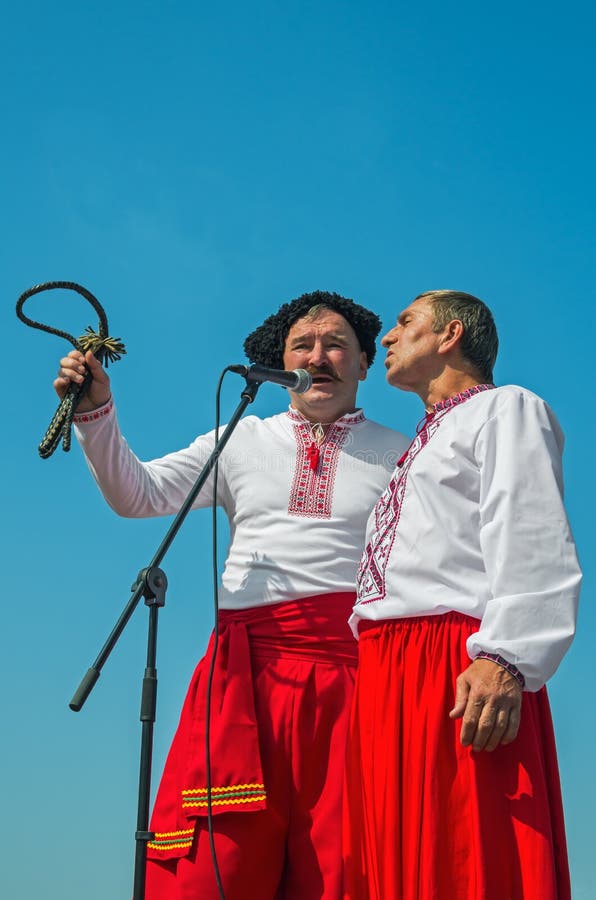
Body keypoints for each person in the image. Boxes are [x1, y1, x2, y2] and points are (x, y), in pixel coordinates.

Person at [55, 290, 409, 900]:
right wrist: (97, 412)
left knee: (344, 864)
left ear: (363, 363)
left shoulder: (403, 454)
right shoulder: (239, 439)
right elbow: (136, 495)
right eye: (303, 345)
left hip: (354, 675)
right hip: (245, 674)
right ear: (280, 362)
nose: (319, 356)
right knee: (218, 864)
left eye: (336, 346)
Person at [344, 290, 582, 900]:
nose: (388, 338)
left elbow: (530, 528)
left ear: (450, 335)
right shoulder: (419, 443)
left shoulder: (506, 409)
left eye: (404, 323)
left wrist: (506, 658)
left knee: (467, 848)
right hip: (385, 666)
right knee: (393, 862)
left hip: (452, 659)